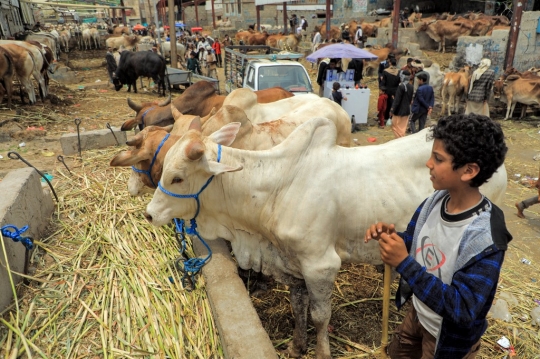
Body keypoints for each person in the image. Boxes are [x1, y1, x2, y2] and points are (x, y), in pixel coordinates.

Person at [365, 113, 511, 359]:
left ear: (468, 171)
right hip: (419, 313)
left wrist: (404, 263)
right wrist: (394, 239)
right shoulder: (434, 202)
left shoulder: (486, 238)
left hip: (445, 340)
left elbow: (463, 309)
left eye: (438, 158)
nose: (428, 164)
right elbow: (416, 242)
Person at [390, 70, 414, 138]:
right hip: (407, 110)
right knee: (402, 128)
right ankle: (401, 138)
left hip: (398, 111)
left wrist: (392, 110)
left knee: (394, 126)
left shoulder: (401, 86)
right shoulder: (411, 86)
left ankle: (399, 139)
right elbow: (410, 99)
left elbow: (397, 100)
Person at [381, 57, 400, 123]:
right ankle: (392, 117)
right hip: (395, 90)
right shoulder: (399, 71)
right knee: (394, 103)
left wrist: (382, 89)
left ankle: (386, 117)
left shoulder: (386, 71)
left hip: (387, 90)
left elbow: (383, 82)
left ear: (390, 63)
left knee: (386, 104)